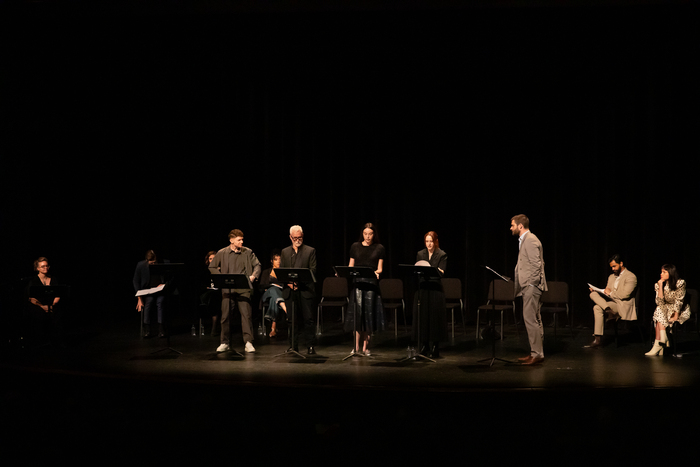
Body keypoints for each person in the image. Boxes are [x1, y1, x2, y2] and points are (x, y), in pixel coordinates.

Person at [209, 229, 261, 353]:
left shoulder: (248, 252)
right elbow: (212, 267)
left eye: (242, 239)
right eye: (239, 240)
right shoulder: (222, 253)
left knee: (246, 316)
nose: (241, 242)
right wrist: (221, 278)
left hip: (244, 289)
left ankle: (248, 342)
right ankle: (224, 342)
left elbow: (257, 265)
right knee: (225, 316)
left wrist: (253, 276)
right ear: (231, 240)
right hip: (228, 289)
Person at [510, 214, 547, 365]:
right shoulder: (524, 240)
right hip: (529, 286)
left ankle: (537, 353)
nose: (511, 228)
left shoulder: (530, 240)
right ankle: (536, 352)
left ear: (520, 226)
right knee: (533, 319)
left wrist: (531, 284)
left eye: (512, 225)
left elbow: (536, 264)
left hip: (531, 286)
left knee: (530, 319)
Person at [345, 223, 386, 356]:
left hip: (371, 285)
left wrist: (377, 272)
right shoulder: (355, 246)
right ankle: (355, 347)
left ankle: (365, 347)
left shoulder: (379, 248)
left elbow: (380, 268)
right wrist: (344, 272)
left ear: (374, 235)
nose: (368, 237)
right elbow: (351, 265)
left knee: (368, 315)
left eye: (370, 234)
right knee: (357, 315)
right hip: (358, 284)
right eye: (365, 234)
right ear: (362, 234)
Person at [586, 254, 637, 349]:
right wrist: (598, 290)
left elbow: (625, 295)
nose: (613, 269)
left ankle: (598, 339)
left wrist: (610, 293)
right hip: (612, 302)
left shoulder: (631, 277)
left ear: (621, 263)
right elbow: (607, 290)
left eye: (614, 266)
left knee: (597, 307)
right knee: (592, 294)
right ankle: (609, 311)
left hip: (623, 305)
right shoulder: (611, 277)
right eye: (611, 267)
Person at [280, 225, 317, 354]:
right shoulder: (285, 252)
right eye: (295, 238)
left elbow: (312, 271)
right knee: (291, 319)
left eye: (299, 237)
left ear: (302, 236)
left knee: (308, 319)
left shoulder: (310, 251)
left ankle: (310, 346)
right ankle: (293, 346)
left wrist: (299, 283)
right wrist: (289, 283)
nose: (297, 240)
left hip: (305, 290)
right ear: (290, 237)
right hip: (290, 290)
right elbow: (282, 271)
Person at [413, 231, 447, 358]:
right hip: (423, 289)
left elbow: (441, 272)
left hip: (435, 290)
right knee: (423, 318)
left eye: (431, 241)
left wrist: (432, 270)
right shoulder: (420, 254)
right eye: (427, 241)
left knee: (434, 319)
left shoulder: (442, 254)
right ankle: (424, 346)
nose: (429, 244)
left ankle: (435, 347)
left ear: (435, 242)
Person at [645, 264, 691, 356]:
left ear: (670, 273)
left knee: (658, 316)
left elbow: (679, 300)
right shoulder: (658, 284)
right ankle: (662, 339)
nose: (661, 274)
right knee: (659, 309)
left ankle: (658, 343)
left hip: (679, 310)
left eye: (664, 272)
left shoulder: (680, 283)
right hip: (665, 308)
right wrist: (660, 286)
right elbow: (660, 303)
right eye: (661, 272)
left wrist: (676, 315)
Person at [26, 257, 64, 347]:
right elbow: (31, 298)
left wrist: (52, 305)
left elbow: (58, 294)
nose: (45, 268)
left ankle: (58, 341)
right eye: (43, 266)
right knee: (38, 314)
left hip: (52, 304)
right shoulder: (33, 281)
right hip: (39, 306)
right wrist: (42, 306)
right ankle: (42, 342)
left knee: (58, 313)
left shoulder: (53, 279)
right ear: (37, 268)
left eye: (47, 266)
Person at [133, 250, 167, 338]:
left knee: (160, 302)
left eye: (154, 262)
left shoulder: (163, 264)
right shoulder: (141, 265)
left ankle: (161, 328)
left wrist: (164, 284)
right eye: (151, 263)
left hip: (160, 290)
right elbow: (135, 281)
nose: (153, 265)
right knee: (149, 302)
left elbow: (171, 278)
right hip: (148, 291)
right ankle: (147, 329)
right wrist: (139, 298)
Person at [260, 250, 287, 338]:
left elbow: (285, 285)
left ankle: (273, 328)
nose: (278, 261)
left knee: (273, 299)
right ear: (272, 261)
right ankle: (285, 308)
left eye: (280, 259)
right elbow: (261, 286)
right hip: (266, 295)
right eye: (276, 259)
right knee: (273, 289)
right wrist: (271, 285)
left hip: (278, 295)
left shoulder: (283, 272)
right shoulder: (266, 272)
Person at [200, 251, 221, 336]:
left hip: (219, 292)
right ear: (207, 260)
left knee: (217, 296)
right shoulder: (205, 271)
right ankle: (214, 328)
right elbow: (200, 284)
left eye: (214, 258)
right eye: (210, 259)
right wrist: (207, 287)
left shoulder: (222, 270)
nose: (212, 260)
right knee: (213, 297)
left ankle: (216, 327)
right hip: (207, 293)